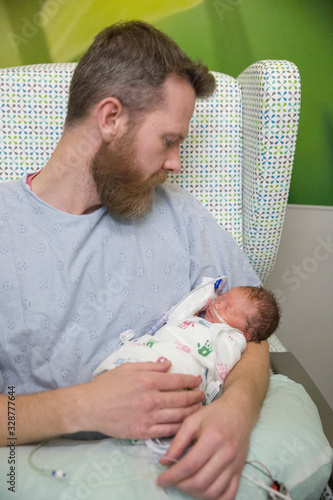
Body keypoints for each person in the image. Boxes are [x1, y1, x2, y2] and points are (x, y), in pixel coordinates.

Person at [0, 20, 270, 499]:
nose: (176, 164)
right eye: (169, 140)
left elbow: (251, 331)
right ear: (111, 118)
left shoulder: (181, 217)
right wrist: (80, 406)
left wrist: (236, 412)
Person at [94, 286, 281, 394]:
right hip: (156, 349)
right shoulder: (199, 318)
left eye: (227, 309)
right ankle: (111, 382)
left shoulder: (231, 338)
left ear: (244, 334)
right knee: (135, 356)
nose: (217, 304)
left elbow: (217, 364)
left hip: (182, 365)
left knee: (173, 377)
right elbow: (176, 320)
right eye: (221, 298)